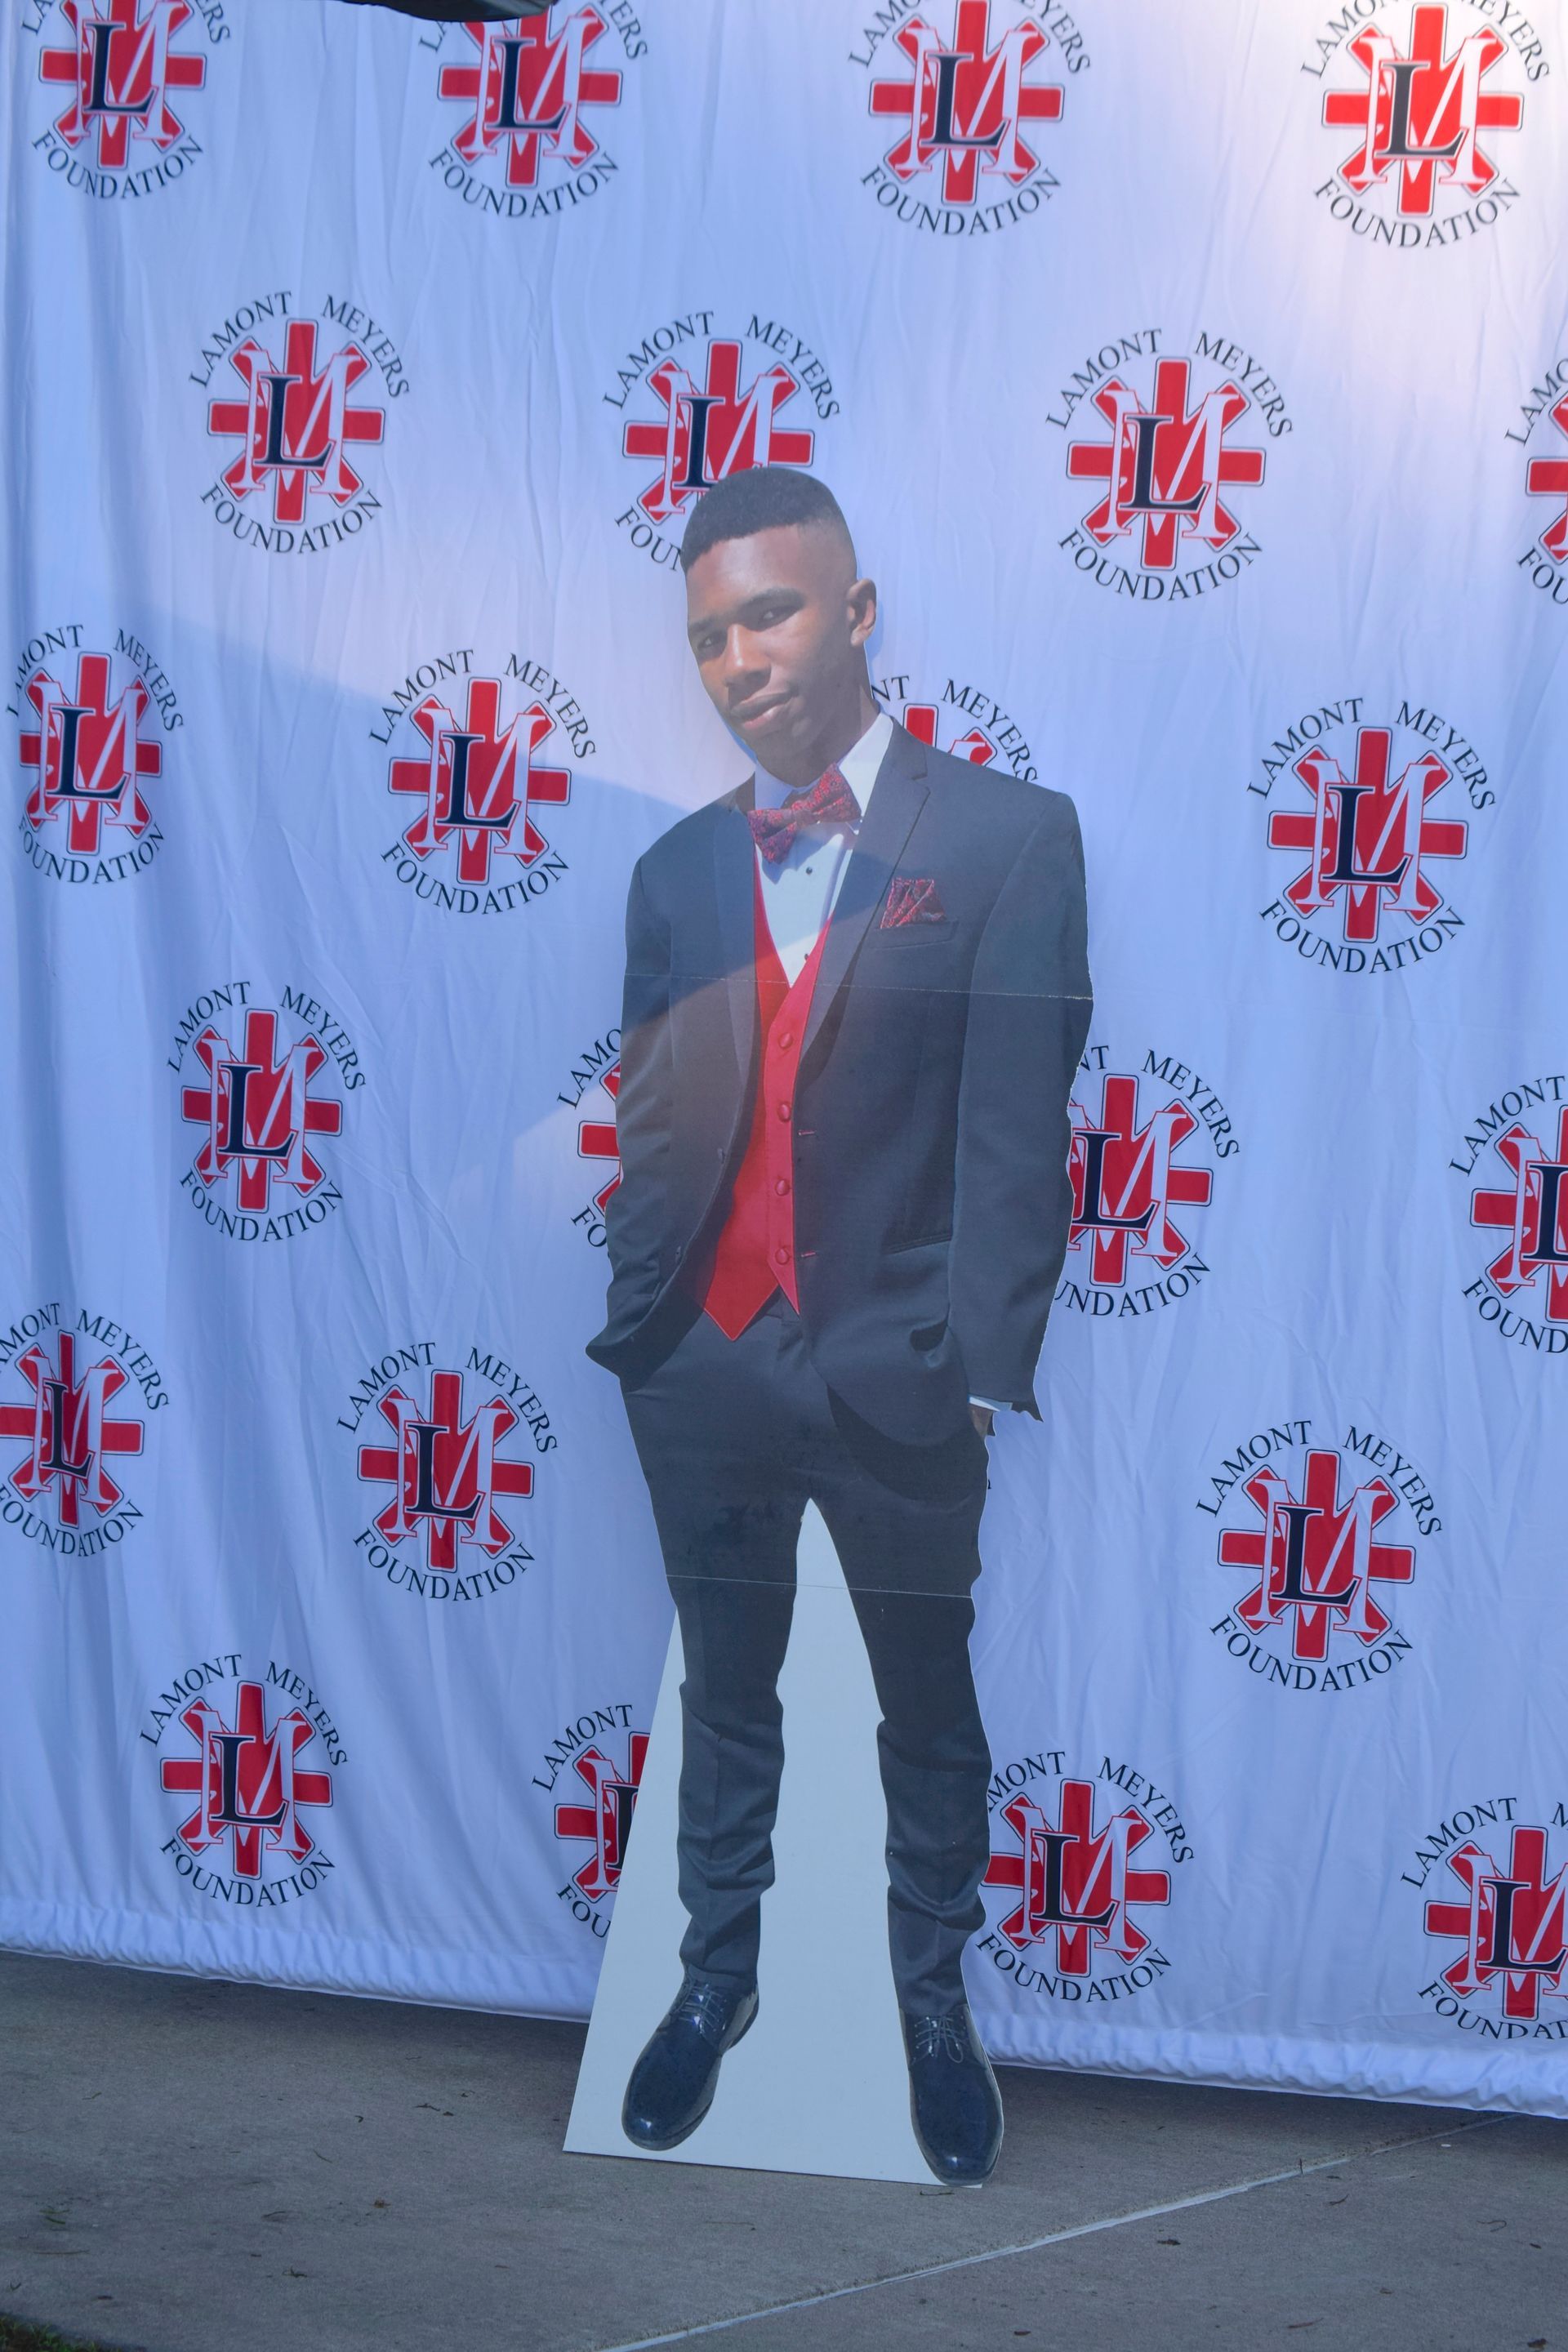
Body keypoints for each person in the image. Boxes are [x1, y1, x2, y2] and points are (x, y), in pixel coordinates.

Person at [586, 467, 1090, 2185]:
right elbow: (661, 1131)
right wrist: (643, 1333)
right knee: (728, 1701)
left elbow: (1021, 1142)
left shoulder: (1010, 839)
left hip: (899, 1380)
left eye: (774, 612)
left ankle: (930, 2005)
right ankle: (712, 1980)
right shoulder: (669, 875)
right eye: (711, 633)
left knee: (923, 1712)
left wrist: (976, 1381)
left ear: (861, 613)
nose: (740, 657)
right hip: (705, 1371)